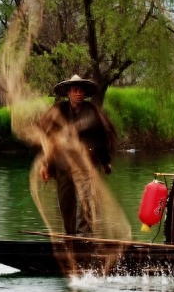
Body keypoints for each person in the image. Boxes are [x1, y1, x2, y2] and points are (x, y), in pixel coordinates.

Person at [37, 75, 116, 237]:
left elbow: (101, 137)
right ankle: (71, 235)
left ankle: (84, 236)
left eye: (81, 90)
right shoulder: (58, 111)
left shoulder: (92, 111)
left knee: (87, 201)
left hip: (87, 163)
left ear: (85, 93)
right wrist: (45, 164)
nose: (78, 94)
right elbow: (49, 139)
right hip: (63, 165)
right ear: (68, 93)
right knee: (66, 203)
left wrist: (106, 162)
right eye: (74, 90)